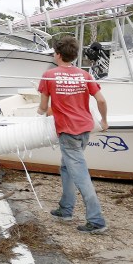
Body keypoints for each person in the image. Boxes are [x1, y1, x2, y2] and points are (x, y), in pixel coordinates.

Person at [37, 35, 109, 234]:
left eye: (54, 52)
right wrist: (103, 121)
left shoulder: (49, 75)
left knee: (80, 175)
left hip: (68, 132)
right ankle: (66, 209)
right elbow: (101, 100)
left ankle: (96, 220)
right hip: (85, 129)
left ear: (58, 54)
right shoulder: (84, 75)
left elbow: (43, 108)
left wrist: (39, 112)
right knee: (67, 167)